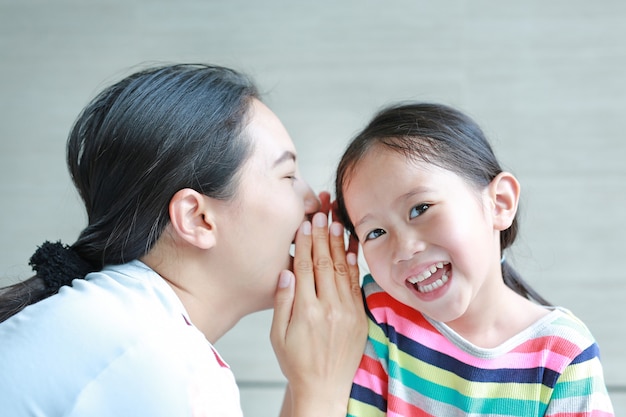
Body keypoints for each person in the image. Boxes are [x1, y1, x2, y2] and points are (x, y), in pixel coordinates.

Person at [0, 63, 367, 417]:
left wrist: (310, 380)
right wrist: (321, 393)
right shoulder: (162, 361)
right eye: (288, 176)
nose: (315, 202)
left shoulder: (120, 327)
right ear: (197, 218)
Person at [334, 102, 614, 416]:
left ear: (499, 203)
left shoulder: (563, 354)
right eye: (375, 232)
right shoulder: (378, 316)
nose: (404, 249)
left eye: (420, 208)